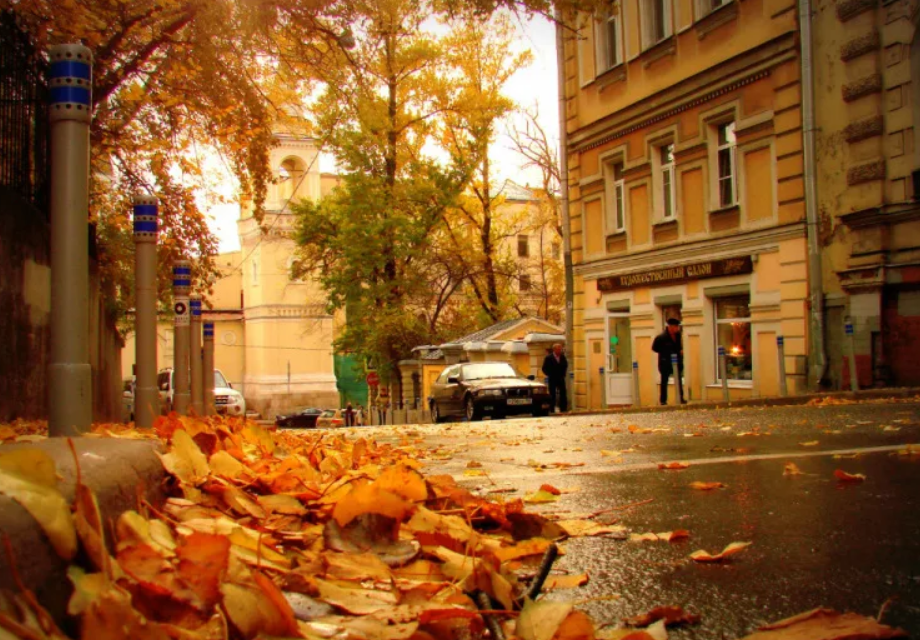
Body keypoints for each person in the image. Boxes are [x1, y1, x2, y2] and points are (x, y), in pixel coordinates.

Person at [652, 317, 686, 405]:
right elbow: (654, 348)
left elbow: (678, 346)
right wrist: (664, 353)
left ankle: (680, 398)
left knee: (678, 379)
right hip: (665, 362)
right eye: (675, 326)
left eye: (677, 326)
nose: (677, 328)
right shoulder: (661, 337)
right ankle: (663, 400)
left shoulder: (678, 335)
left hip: (676, 361)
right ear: (670, 327)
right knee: (664, 381)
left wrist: (680, 351)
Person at [541, 343, 569, 413]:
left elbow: (565, 365)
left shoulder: (562, 357)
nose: (560, 351)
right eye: (558, 349)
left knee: (563, 393)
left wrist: (563, 373)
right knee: (552, 394)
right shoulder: (548, 358)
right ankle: (552, 409)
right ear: (554, 350)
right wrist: (549, 374)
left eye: (560, 349)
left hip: (560, 377)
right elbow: (544, 368)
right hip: (552, 378)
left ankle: (563, 408)